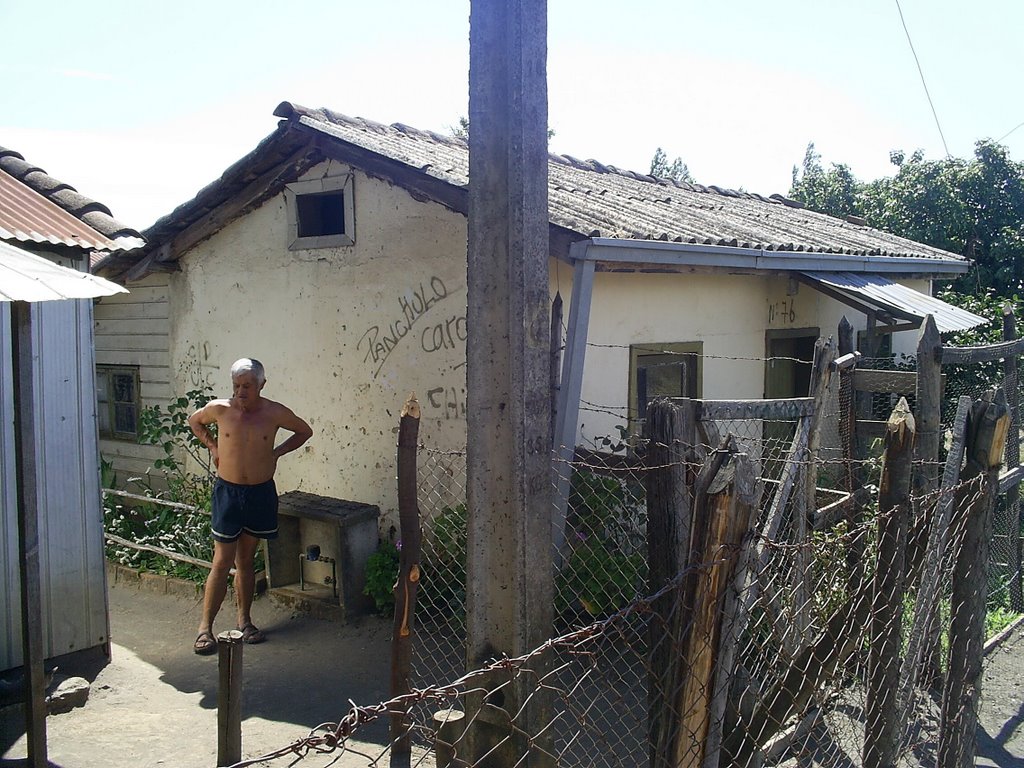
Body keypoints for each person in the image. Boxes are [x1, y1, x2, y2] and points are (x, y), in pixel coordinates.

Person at [188, 358, 313, 655]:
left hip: (259, 493)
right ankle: (205, 629)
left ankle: (245, 621)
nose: (241, 393)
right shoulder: (221, 409)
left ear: (261, 385)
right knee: (221, 561)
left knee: (246, 561)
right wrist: (214, 447)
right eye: (236, 386)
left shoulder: (274, 412)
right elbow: (195, 420)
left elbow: (304, 431)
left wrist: (277, 453)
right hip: (228, 493)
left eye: (247, 386)